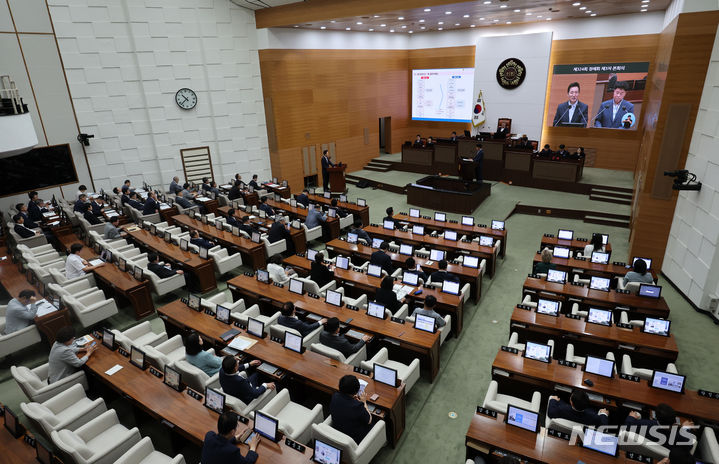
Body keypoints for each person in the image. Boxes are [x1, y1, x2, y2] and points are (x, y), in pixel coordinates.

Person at [625, 403, 696, 453]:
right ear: (674, 421)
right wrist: (685, 429)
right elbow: (689, 446)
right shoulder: (678, 437)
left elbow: (628, 426)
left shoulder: (643, 424)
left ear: (656, 417)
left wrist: (631, 417)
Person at [329, 375, 373, 445]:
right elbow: (369, 420)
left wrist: (352, 398)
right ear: (356, 390)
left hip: (338, 432)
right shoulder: (357, 406)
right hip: (354, 439)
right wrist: (363, 402)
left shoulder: (335, 396)